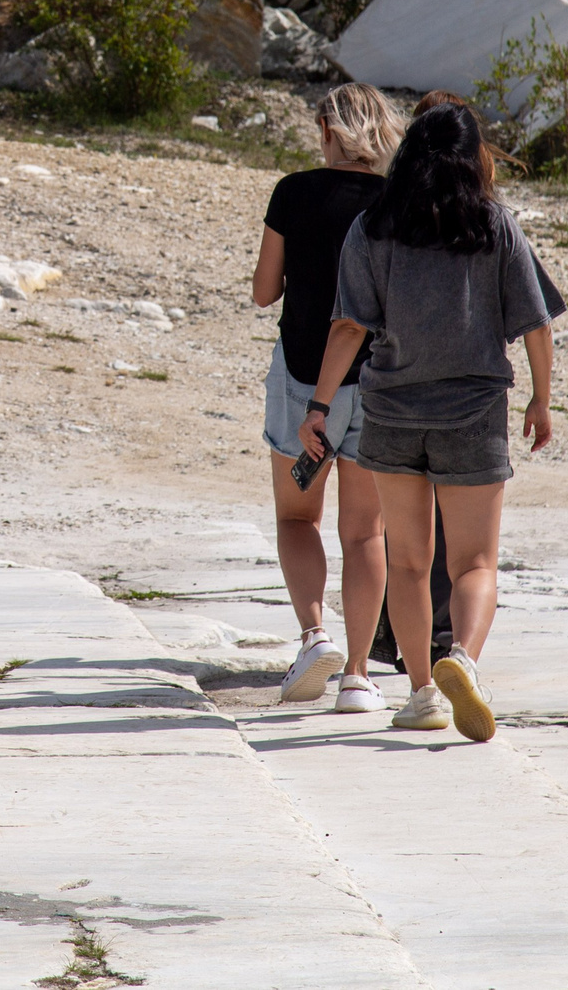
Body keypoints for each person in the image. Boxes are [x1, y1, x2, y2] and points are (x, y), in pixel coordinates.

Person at [299, 101, 556, 742]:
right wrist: (541, 400)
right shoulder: (495, 225)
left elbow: (349, 326)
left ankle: (420, 693)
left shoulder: (373, 227)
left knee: (409, 562)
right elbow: (535, 323)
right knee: (473, 563)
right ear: (475, 159)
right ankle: (462, 660)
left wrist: (320, 406)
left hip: (390, 411)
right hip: (471, 412)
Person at [250, 84, 408, 714]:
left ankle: (315, 636)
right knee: (365, 534)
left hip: (300, 375)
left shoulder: (293, 191)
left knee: (297, 519)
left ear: (326, 130)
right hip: (374, 378)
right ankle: (361, 675)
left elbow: (265, 291)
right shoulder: (396, 203)